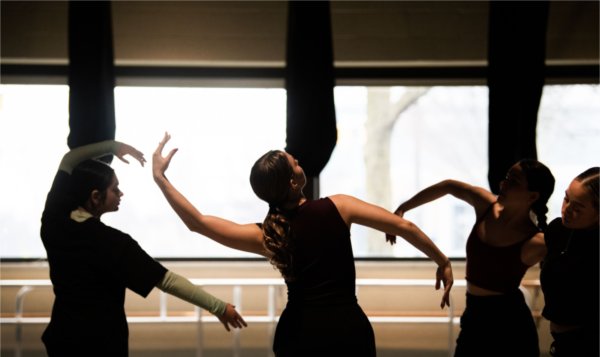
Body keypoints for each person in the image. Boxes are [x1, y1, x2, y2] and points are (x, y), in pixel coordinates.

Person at [152, 132, 454, 357]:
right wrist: (442, 260)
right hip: (347, 331)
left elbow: (199, 223)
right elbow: (404, 226)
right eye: (296, 163)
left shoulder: (268, 235)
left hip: (298, 334)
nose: (300, 163)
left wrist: (161, 179)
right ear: (294, 183)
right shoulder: (339, 207)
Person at [40, 139, 246, 357]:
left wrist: (113, 146)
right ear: (95, 197)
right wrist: (219, 307)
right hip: (101, 343)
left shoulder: (54, 219)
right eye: (114, 189)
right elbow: (167, 281)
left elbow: (69, 160)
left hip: (62, 337)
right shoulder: (111, 243)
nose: (120, 194)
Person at [389, 159, 555, 357]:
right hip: (474, 315)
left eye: (514, 181)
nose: (503, 184)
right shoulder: (486, 204)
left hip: (511, 325)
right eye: (507, 177)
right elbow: (448, 186)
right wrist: (402, 208)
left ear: (533, 196)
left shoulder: (536, 241)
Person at [540, 167, 599, 357]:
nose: (566, 210)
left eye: (578, 208)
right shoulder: (558, 230)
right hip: (560, 341)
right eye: (566, 199)